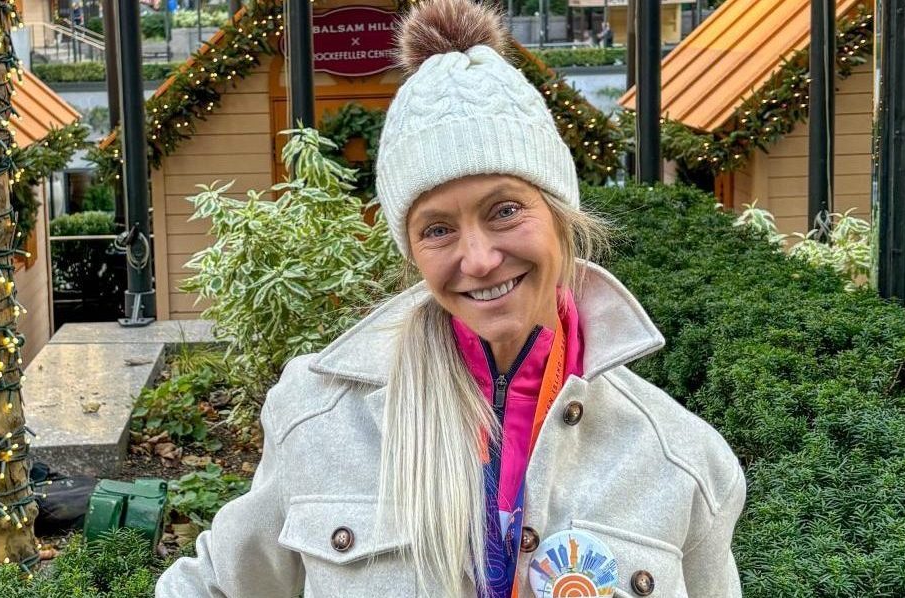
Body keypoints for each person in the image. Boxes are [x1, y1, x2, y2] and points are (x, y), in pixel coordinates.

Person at [155, 0, 745, 596]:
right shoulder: (320, 416)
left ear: (562, 218)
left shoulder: (681, 462)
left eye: (506, 210)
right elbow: (216, 584)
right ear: (411, 252)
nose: (479, 258)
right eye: (437, 229)